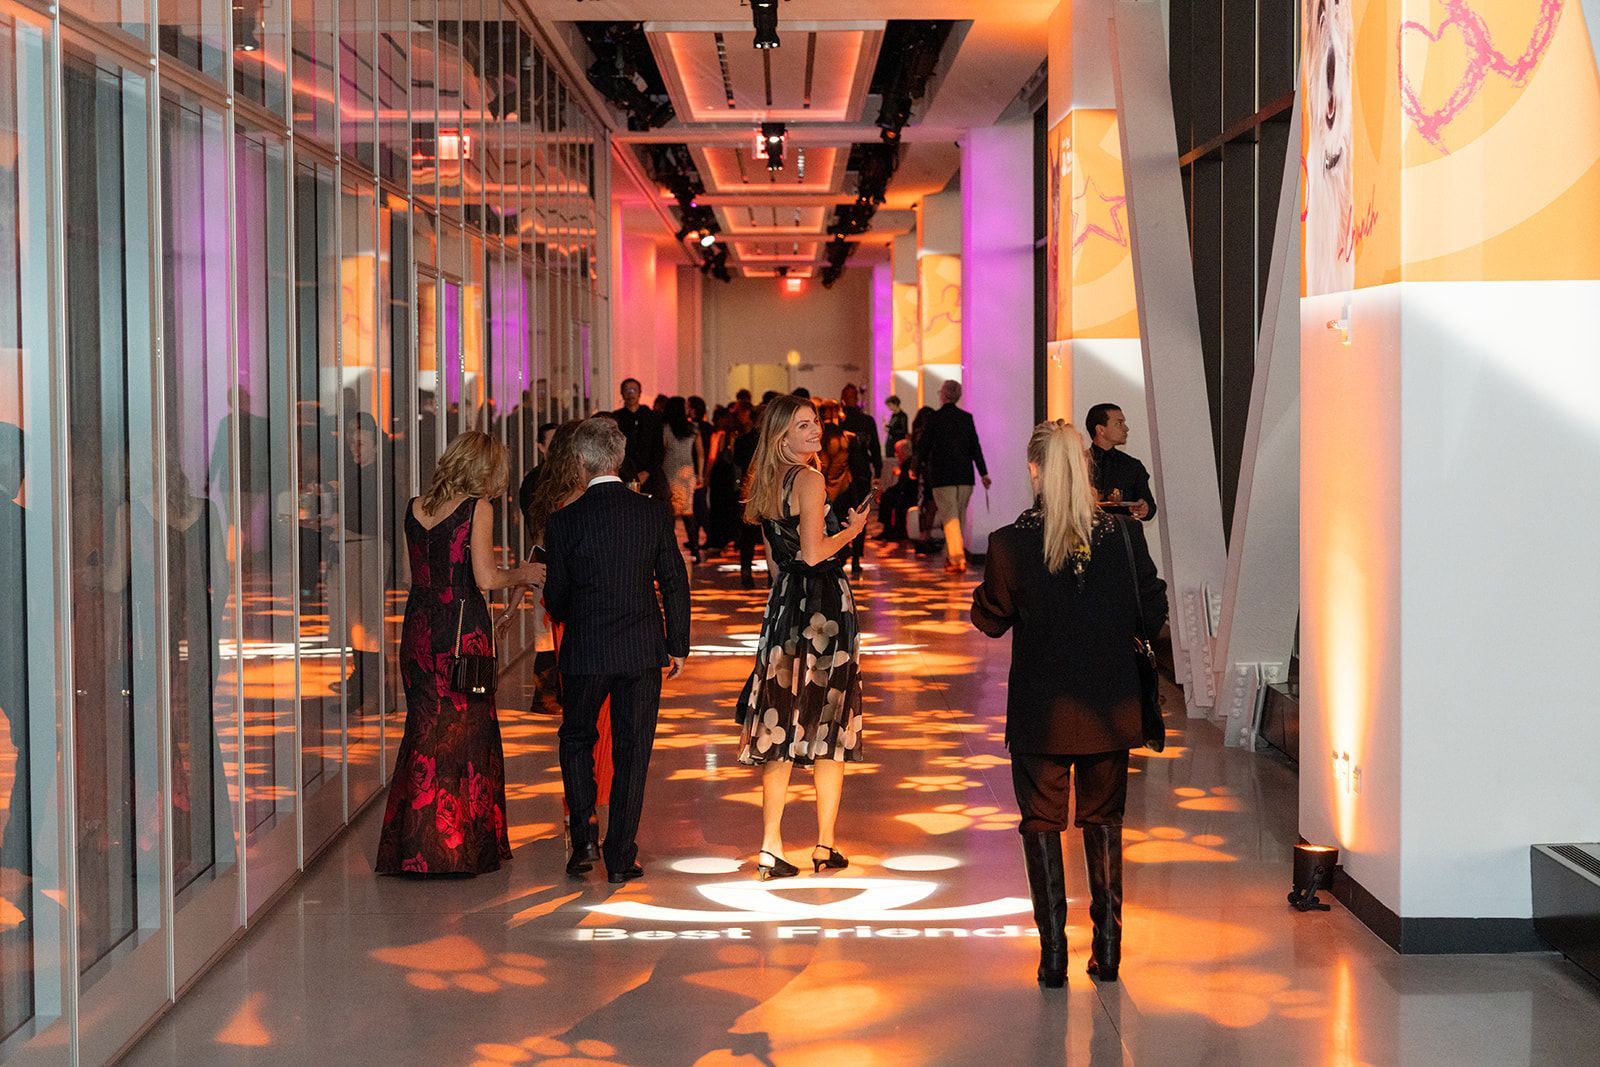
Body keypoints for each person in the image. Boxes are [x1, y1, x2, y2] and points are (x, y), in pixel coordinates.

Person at [970, 420, 1167, 987]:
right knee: (1104, 820)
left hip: (1042, 710)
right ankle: (1108, 951)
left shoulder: (1010, 542)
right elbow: (1153, 610)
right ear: (1085, 468)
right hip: (1111, 705)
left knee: (1041, 822)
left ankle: (1053, 956)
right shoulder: (1123, 536)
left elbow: (990, 620)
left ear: (1034, 470)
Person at [377, 431, 543, 876]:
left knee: (423, 730)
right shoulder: (476, 508)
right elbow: (486, 579)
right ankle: (455, 849)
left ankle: (413, 849)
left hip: (419, 629)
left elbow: (417, 571)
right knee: (466, 733)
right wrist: (523, 573)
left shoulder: (415, 507)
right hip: (461, 633)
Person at [545, 417, 691, 884]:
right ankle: (621, 854)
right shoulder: (651, 513)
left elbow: (556, 595)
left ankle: (584, 834)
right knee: (633, 749)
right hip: (641, 648)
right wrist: (678, 644)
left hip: (586, 648)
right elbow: (674, 581)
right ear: (620, 458)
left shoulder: (563, 520)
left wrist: (573, 614)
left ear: (579, 462)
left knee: (576, 738)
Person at [734, 396, 871, 881]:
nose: (816, 431)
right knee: (828, 720)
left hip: (785, 604)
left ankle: (771, 845)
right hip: (823, 607)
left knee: (780, 718)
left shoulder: (767, 481)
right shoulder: (810, 479)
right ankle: (824, 843)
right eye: (804, 426)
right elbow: (814, 553)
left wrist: (784, 604)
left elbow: (778, 563)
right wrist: (852, 530)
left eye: (815, 423)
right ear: (781, 437)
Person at [917, 381, 990, 573]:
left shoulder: (935, 418)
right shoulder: (966, 418)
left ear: (943, 395)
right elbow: (975, 447)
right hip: (965, 476)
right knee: (959, 518)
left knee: (950, 518)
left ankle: (957, 559)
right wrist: (983, 473)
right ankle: (953, 557)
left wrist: (914, 468)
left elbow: (924, 446)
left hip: (943, 476)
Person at [341, 410, 383, 715]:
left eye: (361, 442)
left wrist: (337, 521)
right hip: (355, 552)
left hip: (368, 553)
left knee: (366, 627)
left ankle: (371, 690)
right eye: (351, 441)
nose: (354, 447)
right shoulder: (356, 473)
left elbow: (373, 519)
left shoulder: (378, 477)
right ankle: (361, 685)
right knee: (357, 625)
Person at [1085, 403, 1157, 521]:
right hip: (1084, 530)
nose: (1126, 428)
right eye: (1119, 423)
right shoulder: (1078, 463)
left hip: (1123, 530)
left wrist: (1145, 508)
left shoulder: (1132, 465)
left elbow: (1149, 506)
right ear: (1101, 429)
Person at [662, 396, 705, 563]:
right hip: (687, 472)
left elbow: (664, 449)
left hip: (669, 471)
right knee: (688, 511)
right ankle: (695, 549)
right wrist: (700, 474)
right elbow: (700, 453)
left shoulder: (665, 428)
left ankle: (670, 551)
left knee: (670, 511)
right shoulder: (693, 428)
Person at [612, 378, 666, 499]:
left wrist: (647, 471)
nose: (630, 393)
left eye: (634, 390)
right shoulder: (617, 417)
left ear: (640, 392)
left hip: (651, 473)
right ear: (622, 393)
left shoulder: (652, 417)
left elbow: (659, 447)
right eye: (627, 390)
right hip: (624, 472)